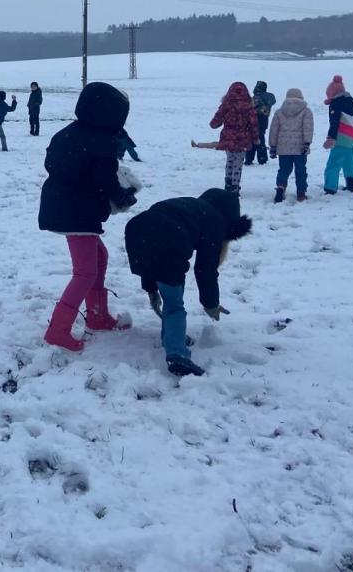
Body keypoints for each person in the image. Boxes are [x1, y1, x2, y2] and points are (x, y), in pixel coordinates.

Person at [38, 82, 139, 353]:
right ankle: (57, 330)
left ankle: (97, 315)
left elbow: (51, 163)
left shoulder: (67, 133)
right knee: (85, 272)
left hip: (62, 205)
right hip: (78, 211)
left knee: (100, 257)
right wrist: (123, 197)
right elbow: (106, 180)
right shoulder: (102, 142)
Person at [125, 188, 252, 377]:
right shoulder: (215, 223)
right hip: (169, 242)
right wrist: (211, 304)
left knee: (165, 279)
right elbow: (205, 270)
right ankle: (177, 354)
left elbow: (152, 240)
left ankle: (171, 336)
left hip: (136, 232)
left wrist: (151, 287)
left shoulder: (191, 208)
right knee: (174, 305)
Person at [200, 83, 257, 195]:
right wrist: (255, 138)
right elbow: (254, 125)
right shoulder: (249, 107)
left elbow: (214, 123)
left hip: (228, 138)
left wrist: (218, 122)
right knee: (238, 164)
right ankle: (235, 187)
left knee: (230, 161)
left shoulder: (226, 105)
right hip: (242, 139)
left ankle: (228, 184)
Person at [268, 88, 314, 203]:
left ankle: (280, 187)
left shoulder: (279, 112)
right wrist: (307, 142)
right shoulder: (306, 111)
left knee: (284, 169)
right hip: (300, 148)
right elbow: (308, 128)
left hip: (283, 148)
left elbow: (273, 130)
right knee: (301, 170)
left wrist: (273, 146)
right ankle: (301, 193)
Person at [322, 75, 353, 195]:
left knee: (333, 164)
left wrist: (331, 138)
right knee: (349, 163)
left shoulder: (335, 104)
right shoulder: (351, 101)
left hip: (341, 138)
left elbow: (334, 122)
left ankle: (330, 187)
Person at [245, 81, 276, 165]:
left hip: (253, 119)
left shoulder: (255, 98)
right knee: (260, 137)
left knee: (252, 139)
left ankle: (249, 158)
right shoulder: (269, 97)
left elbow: (250, 108)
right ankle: (262, 158)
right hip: (264, 120)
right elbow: (272, 101)